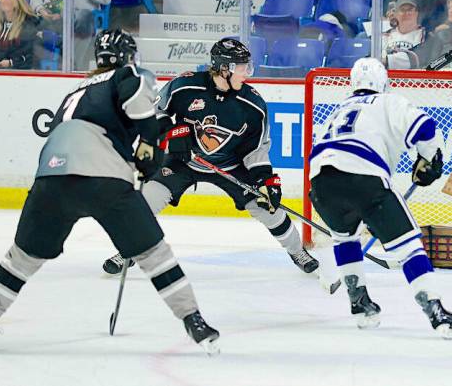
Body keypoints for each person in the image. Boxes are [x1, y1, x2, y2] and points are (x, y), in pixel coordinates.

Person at [0, 29, 220, 354]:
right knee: (153, 254)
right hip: (102, 177)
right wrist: (150, 145)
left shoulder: (74, 91)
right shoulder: (127, 74)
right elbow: (137, 99)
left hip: (51, 178)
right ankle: (194, 321)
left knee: (22, 258)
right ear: (127, 57)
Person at [100, 38, 330, 289]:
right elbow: (156, 112)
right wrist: (171, 133)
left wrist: (266, 180)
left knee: (268, 209)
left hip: (229, 165)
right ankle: (128, 251)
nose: (247, 72)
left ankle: (297, 251)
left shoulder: (253, 106)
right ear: (223, 68)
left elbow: (256, 151)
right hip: (183, 160)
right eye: (241, 67)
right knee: (147, 200)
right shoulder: (185, 86)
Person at [308, 58, 452, 337]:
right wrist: (430, 158)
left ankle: (361, 304)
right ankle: (437, 312)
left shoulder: (339, 109)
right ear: (384, 82)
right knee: (408, 248)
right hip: (364, 177)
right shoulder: (389, 101)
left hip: (321, 183)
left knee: (345, 238)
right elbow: (425, 127)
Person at [379, 0, 429, 69]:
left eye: (410, 10)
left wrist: (387, 60)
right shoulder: (385, 35)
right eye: (402, 10)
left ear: (416, 13)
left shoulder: (425, 35)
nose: (406, 13)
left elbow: (420, 57)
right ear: (396, 14)